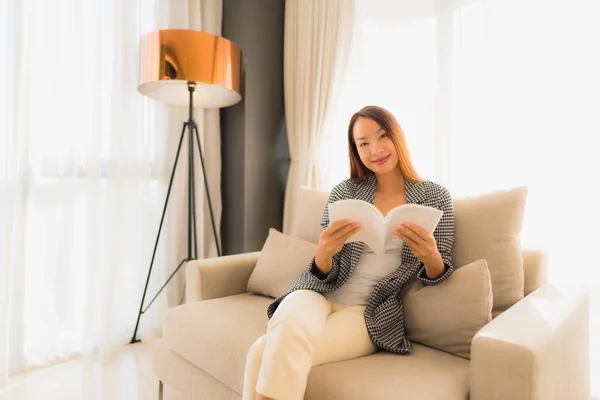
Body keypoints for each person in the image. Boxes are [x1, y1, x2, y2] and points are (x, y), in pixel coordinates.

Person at [243, 105, 455, 400]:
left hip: (368, 312)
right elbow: (321, 269)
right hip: (318, 293)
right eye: (363, 143)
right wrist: (324, 251)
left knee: (260, 352)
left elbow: (440, 274)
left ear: (398, 137)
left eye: (382, 137)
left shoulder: (435, 196)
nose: (375, 149)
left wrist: (431, 255)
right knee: (276, 340)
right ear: (355, 151)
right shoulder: (344, 192)